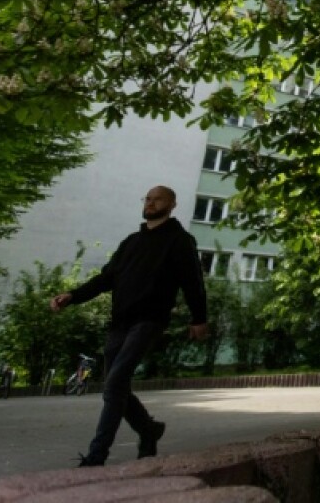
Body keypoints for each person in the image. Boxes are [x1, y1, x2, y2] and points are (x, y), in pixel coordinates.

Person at [51, 185, 209, 466]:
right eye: (147, 198)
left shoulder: (180, 240)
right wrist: (73, 296)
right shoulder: (132, 241)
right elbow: (106, 278)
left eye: (157, 199)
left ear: (172, 204)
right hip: (120, 322)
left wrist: (199, 318)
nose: (150, 203)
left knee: (114, 385)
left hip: (149, 321)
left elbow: (192, 281)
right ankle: (148, 429)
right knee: (117, 386)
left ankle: (97, 455)